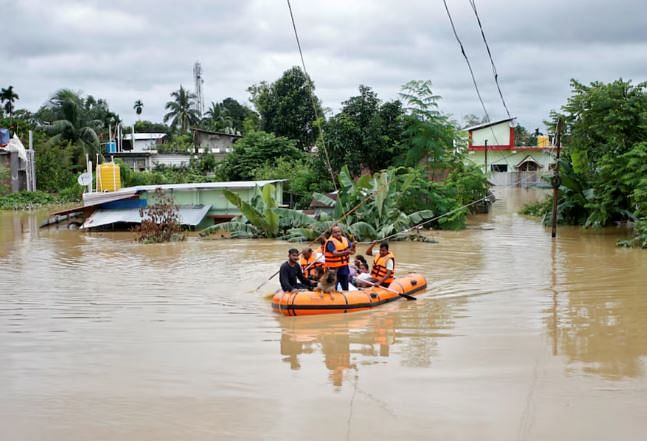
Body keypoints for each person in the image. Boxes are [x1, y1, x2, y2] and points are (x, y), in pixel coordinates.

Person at [324, 225, 355, 291]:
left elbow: (352, 252)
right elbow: (335, 253)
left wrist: (353, 246)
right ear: (332, 233)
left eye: (339, 232)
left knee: (345, 285)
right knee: (333, 285)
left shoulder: (345, 239)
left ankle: (346, 296)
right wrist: (347, 251)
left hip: (344, 266)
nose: (338, 233)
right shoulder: (330, 242)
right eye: (335, 232)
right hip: (333, 268)